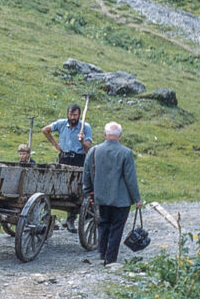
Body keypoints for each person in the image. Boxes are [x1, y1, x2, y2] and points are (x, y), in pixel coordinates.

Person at [82, 121, 143, 265]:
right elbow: (130, 178)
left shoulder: (94, 150)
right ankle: (111, 258)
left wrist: (88, 192)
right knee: (116, 228)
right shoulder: (126, 153)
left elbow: (87, 173)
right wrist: (137, 199)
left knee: (103, 224)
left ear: (105, 134)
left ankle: (102, 253)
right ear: (120, 135)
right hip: (121, 200)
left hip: (100, 197)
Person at [42, 103, 92, 232]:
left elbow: (89, 149)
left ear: (79, 115)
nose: (72, 117)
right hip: (64, 158)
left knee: (75, 188)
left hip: (79, 159)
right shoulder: (61, 123)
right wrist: (56, 145)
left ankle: (71, 219)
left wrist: (82, 141)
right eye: (70, 114)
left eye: (75, 115)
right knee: (59, 185)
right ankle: (47, 217)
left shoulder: (85, 127)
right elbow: (45, 130)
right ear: (67, 114)